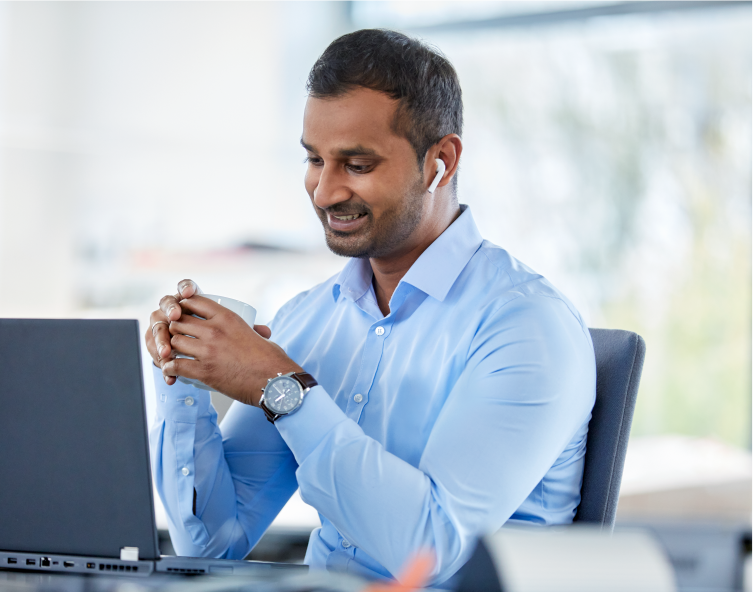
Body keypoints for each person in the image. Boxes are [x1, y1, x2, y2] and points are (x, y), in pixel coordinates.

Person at [145, 29, 596, 586]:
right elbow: (213, 545)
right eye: (315, 159)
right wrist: (184, 373)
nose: (324, 192)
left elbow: (430, 554)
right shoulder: (311, 319)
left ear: (440, 161)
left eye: (356, 165)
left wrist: (282, 389)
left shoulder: (527, 327)